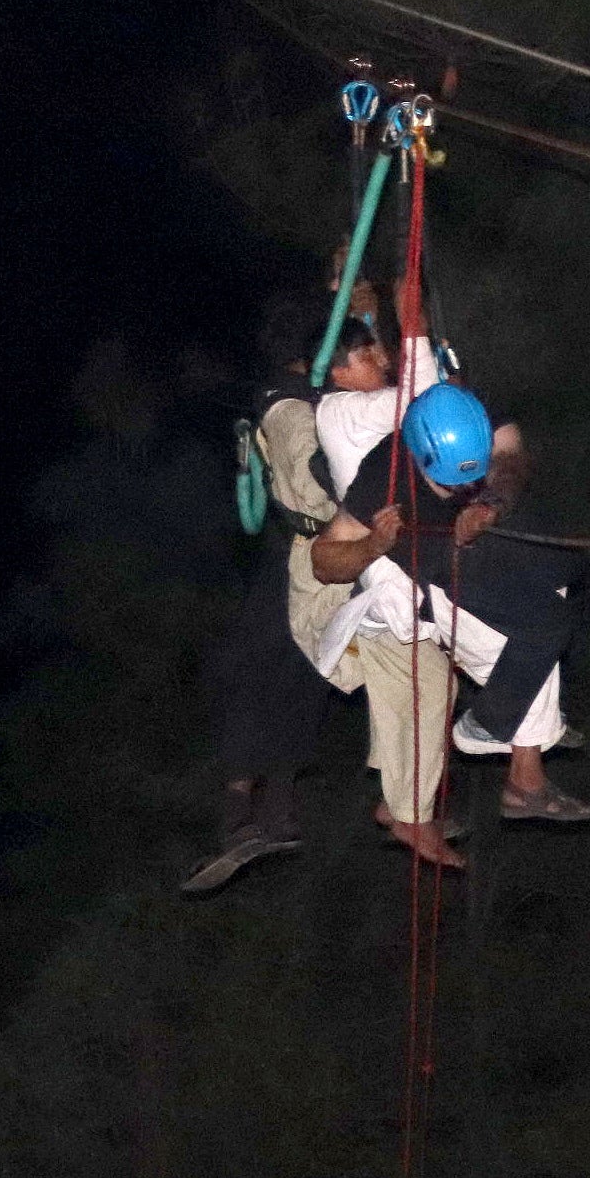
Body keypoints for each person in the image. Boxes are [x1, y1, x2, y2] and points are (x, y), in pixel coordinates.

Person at [313, 380, 590, 866]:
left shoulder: (473, 411)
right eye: (453, 482)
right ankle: (484, 726)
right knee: (547, 622)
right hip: (441, 558)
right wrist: (372, 547)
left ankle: (521, 733)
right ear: (421, 457)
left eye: (473, 476)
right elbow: (324, 560)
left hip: (487, 533)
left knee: (566, 565)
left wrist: (489, 504)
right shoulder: (385, 477)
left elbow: (512, 457)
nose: (465, 488)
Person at [183, 289, 377, 894]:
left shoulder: (318, 395)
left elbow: (358, 370)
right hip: (297, 553)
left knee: (307, 672)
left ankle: (280, 810)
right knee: (263, 667)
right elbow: (312, 479)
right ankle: (241, 815)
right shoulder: (287, 404)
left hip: (328, 556)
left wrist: (363, 305)